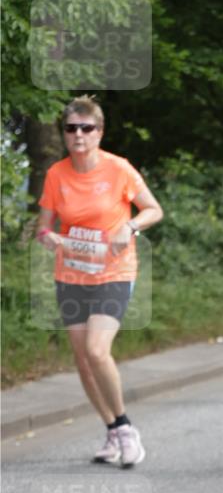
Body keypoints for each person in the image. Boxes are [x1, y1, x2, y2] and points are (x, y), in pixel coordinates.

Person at [36, 96, 163, 467]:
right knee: (82, 359)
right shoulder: (56, 174)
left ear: (99, 132)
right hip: (71, 274)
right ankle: (110, 429)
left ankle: (125, 428)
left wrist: (130, 226)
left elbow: (153, 209)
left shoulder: (118, 169)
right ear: (64, 134)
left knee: (96, 349)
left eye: (86, 128)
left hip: (114, 272)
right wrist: (52, 239)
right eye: (71, 128)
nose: (78, 135)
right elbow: (43, 229)